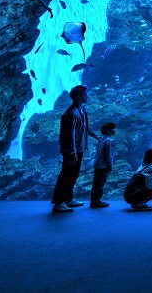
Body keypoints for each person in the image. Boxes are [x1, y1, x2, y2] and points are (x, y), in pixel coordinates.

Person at [51, 85, 101, 213]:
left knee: (73, 174)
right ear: (78, 97)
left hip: (79, 148)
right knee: (66, 175)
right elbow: (70, 135)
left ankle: (68, 198)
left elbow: (84, 127)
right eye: (85, 95)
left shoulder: (82, 110)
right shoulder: (70, 114)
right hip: (71, 150)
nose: (87, 97)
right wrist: (72, 151)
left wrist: (95, 136)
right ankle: (58, 202)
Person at [90, 122, 116, 209]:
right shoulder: (110, 141)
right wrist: (110, 164)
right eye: (113, 128)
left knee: (96, 184)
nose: (115, 130)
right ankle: (97, 201)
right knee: (100, 183)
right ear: (108, 131)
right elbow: (109, 154)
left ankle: (93, 201)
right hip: (103, 166)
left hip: (97, 164)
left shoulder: (101, 139)